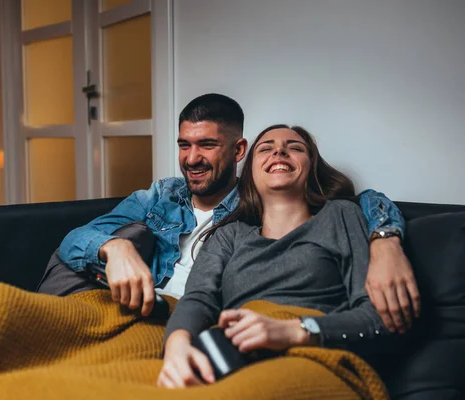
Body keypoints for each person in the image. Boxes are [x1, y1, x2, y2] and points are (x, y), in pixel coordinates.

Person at [38, 93, 419, 333]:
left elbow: (360, 200)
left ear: (239, 151)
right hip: (129, 304)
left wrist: (386, 240)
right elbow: (75, 240)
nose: (191, 158)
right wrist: (115, 249)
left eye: (206, 145)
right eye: (184, 145)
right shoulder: (160, 195)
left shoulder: (256, 205)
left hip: (172, 322)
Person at [157, 124, 399, 388]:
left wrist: (293, 330)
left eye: (294, 148)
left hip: (312, 357)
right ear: (249, 172)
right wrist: (177, 346)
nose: (280, 152)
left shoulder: (340, 215)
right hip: (232, 355)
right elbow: (198, 299)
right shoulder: (230, 235)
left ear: (311, 167)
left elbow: (378, 318)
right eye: (266, 148)